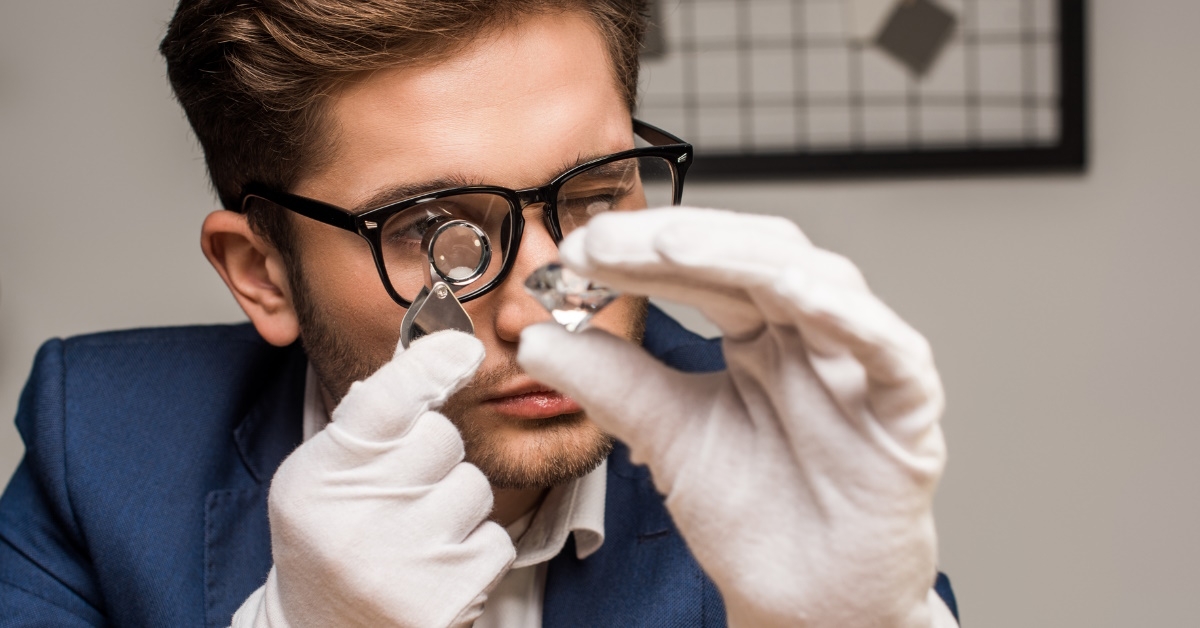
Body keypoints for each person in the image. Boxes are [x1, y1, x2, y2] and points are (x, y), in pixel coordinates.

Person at [0, 0, 960, 626]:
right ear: (264, 275)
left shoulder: (784, 457)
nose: (548, 313)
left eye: (591, 194)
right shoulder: (100, 444)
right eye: (431, 229)